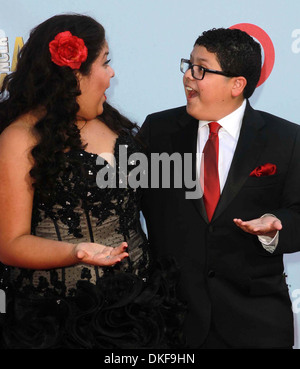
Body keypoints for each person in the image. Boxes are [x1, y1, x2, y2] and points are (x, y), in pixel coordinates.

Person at [0, 14, 185, 349]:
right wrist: (77, 251)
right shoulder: (20, 138)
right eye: (105, 62)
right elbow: (10, 244)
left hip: (141, 308)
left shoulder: (111, 122)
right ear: (74, 73)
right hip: (63, 321)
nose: (112, 72)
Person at [140, 27, 300, 349]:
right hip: (171, 320)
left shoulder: (287, 139)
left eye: (200, 69)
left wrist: (274, 228)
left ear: (236, 84)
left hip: (256, 323)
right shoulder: (158, 131)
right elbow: (128, 203)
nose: (188, 76)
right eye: (188, 64)